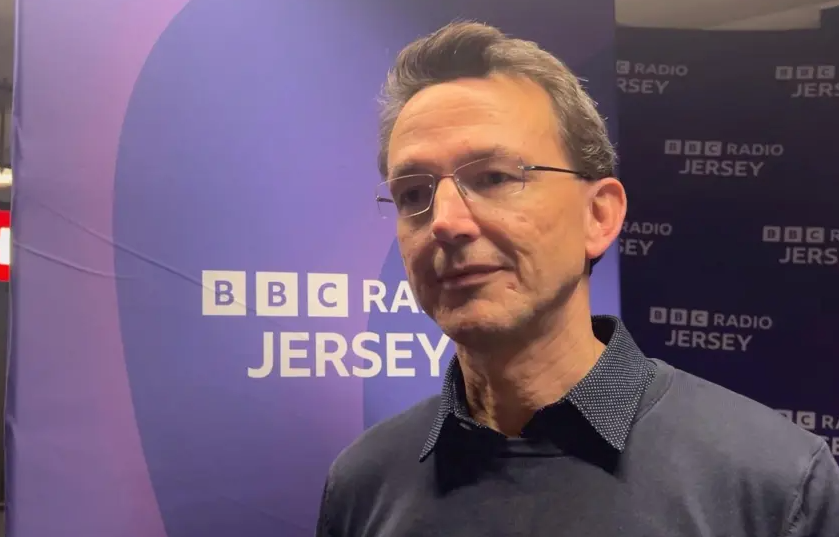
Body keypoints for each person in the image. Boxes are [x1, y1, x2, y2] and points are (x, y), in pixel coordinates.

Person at [314, 21, 839, 537]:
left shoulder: (774, 485)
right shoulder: (364, 483)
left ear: (599, 216)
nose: (446, 221)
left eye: (494, 177)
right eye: (412, 193)